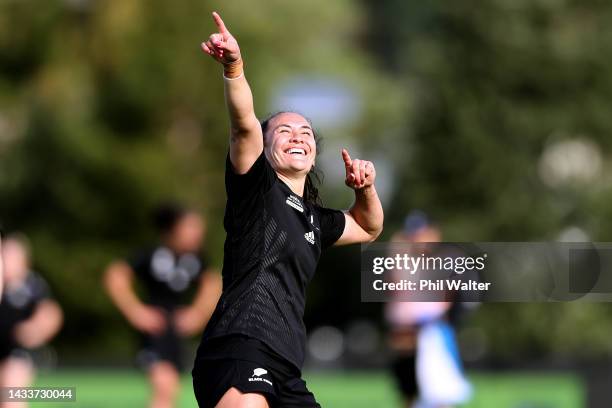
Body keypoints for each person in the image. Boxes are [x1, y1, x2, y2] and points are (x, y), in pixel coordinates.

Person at [192, 12, 384, 408]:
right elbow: (243, 124)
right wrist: (234, 67)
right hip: (238, 348)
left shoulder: (314, 218)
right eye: (284, 131)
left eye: (306, 133)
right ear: (265, 147)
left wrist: (365, 190)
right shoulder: (257, 188)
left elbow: (368, 229)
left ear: (314, 155)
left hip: (285, 366)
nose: (297, 136)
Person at [105, 204, 221, 408]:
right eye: (191, 228)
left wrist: (197, 314)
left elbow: (212, 283)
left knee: (171, 390)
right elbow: (116, 275)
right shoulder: (152, 254)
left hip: (175, 334)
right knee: (164, 385)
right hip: (154, 331)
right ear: (173, 229)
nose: (197, 234)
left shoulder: (194, 259)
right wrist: (135, 311)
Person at [386, 212, 471, 408]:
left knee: (438, 390)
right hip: (406, 335)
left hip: (432, 333)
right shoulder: (403, 260)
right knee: (408, 389)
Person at [0, 235, 63, 408]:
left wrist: (35, 329)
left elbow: (51, 312)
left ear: (24, 261)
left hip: (17, 351)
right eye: (4, 256)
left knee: (11, 398)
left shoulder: (32, 284)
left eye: (11, 257)